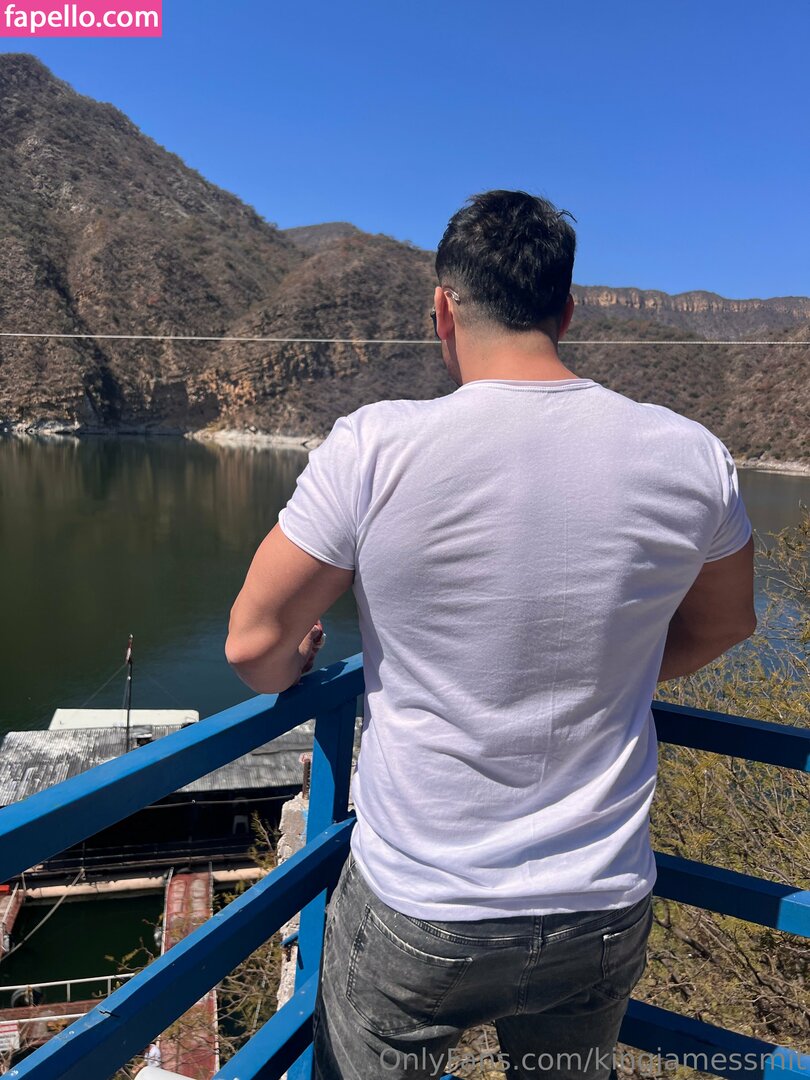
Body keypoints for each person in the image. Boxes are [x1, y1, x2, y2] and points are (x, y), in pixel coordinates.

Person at [225, 190, 756, 1080]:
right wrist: (614, 668)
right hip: (600, 906)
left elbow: (252, 646)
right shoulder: (692, 455)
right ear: (567, 312)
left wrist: (297, 662)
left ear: (444, 308)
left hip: (422, 905)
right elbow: (729, 623)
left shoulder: (375, 446)